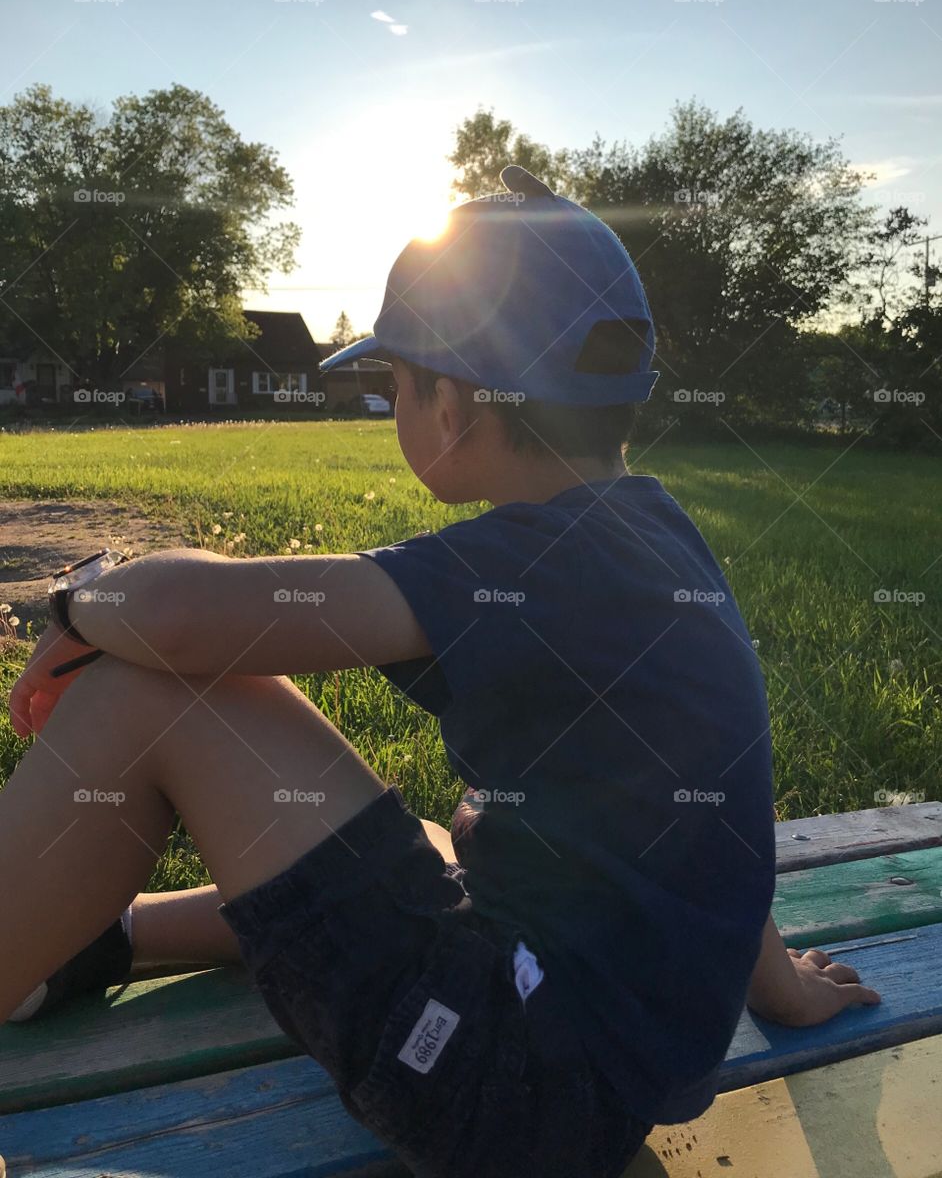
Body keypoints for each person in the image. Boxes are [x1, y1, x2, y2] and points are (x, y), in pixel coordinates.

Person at [2, 166, 878, 1178]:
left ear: (454, 406)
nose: (393, 407)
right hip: (589, 1065)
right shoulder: (656, 539)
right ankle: (102, 942)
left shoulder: (529, 562)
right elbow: (707, 811)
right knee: (429, 844)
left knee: (146, 694)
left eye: (395, 386)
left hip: (502, 1083)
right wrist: (782, 987)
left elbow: (183, 620)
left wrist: (77, 601)